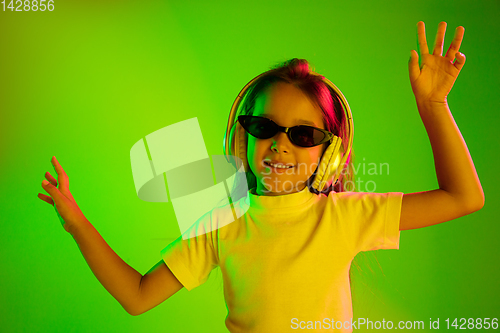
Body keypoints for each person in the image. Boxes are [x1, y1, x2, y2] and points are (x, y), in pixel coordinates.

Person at [38, 21, 484, 332]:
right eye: (265, 128)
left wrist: (434, 107)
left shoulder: (347, 216)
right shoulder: (220, 224)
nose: (281, 144)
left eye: (304, 134)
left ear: (328, 150)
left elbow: (464, 197)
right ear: (242, 138)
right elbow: (137, 296)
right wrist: (75, 221)